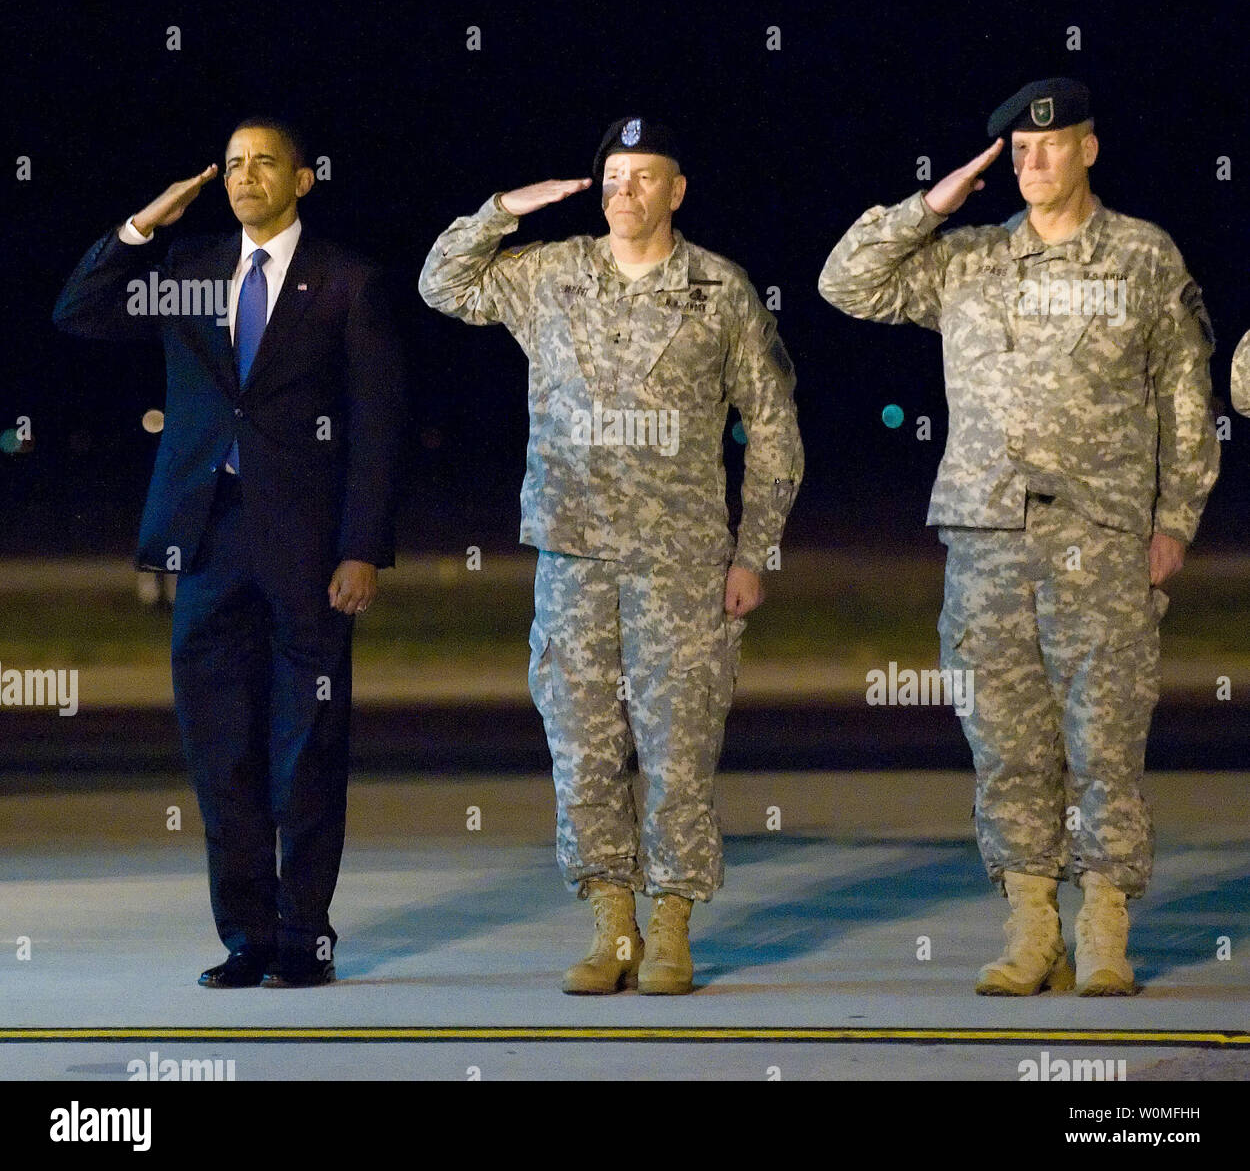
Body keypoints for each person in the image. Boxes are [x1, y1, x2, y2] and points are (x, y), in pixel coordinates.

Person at [819, 78, 1219, 996]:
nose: (1034, 160)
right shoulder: (966, 261)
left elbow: (1186, 401)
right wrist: (931, 202)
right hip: (988, 536)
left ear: (1089, 147)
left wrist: (1176, 521)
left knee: (1105, 740)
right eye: (1019, 150)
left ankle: (1107, 924)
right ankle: (1032, 921)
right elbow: (845, 283)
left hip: (1104, 534)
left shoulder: (1143, 259)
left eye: (1052, 143)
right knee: (1005, 742)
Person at [420, 117, 803, 994]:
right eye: (611, 176)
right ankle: (612, 925)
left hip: (684, 561)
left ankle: (671, 924)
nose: (622, 191)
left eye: (643, 176)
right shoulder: (551, 275)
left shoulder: (719, 291)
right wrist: (501, 210)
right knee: (583, 750)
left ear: (676, 190)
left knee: (678, 751)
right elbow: (441, 284)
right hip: (575, 556)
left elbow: (776, 431)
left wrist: (754, 553)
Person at [53, 118, 404, 988]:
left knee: (308, 745)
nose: (247, 177)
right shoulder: (191, 269)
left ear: (303, 178)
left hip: (310, 552)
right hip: (208, 542)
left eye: (265, 164)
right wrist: (144, 226)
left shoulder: (349, 282)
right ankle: (246, 936)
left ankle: (303, 935)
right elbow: (79, 311)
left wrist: (362, 547)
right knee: (222, 750)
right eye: (236, 165)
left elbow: (379, 428)